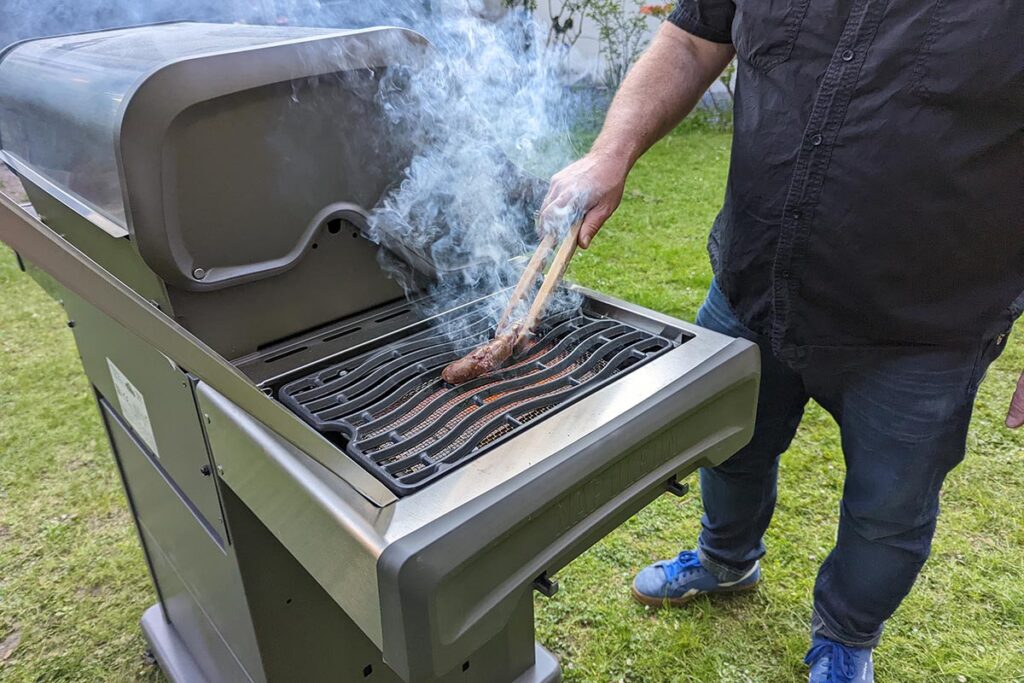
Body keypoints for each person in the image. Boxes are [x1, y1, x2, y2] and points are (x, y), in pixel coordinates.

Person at [540, 2, 1024, 681]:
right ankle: (727, 558)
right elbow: (689, 40)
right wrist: (611, 148)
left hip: (926, 328)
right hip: (754, 285)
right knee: (730, 448)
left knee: (889, 511)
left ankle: (847, 636)